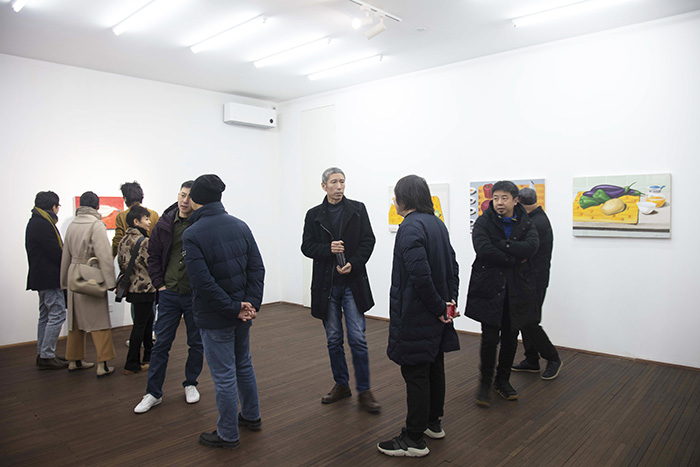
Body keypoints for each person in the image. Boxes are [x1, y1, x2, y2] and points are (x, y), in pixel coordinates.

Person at [378, 175, 461, 458]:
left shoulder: (410, 227)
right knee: (434, 366)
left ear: (405, 198)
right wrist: (448, 304)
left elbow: (420, 277)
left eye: (396, 195)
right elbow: (453, 266)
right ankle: (432, 423)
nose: (394, 200)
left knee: (416, 373)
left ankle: (413, 439)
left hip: (418, 313)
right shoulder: (437, 224)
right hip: (435, 311)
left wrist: (439, 308)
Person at [182, 174, 265, 450]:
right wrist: (250, 304)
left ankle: (228, 434)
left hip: (217, 316)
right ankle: (251, 416)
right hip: (241, 313)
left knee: (225, 375)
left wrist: (233, 308)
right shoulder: (240, 225)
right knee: (243, 364)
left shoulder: (192, 233)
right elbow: (257, 268)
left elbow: (202, 282)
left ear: (196, 199)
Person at [301, 167, 380, 413]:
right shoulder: (313, 214)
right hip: (327, 287)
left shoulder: (358, 209)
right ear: (323, 186)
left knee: (358, 338)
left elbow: (369, 241)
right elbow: (306, 246)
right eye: (334, 182)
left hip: (352, 284)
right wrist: (328, 249)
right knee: (334, 339)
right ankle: (342, 385)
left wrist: (353, 263)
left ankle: (364, 390)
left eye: (342, 182)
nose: (339, 186)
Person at [465, 181, 539, 407]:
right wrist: (513, 258)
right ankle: (484, 383)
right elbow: (483, 249)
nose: (499, 202)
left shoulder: (526, 222)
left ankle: (502, 381)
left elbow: (531, 247)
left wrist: (501, 245)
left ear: (515, 200)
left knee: (510, 338)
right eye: (496, 198)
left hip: (515, 289)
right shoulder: (484, 221)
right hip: (490, 288)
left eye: (504, 198)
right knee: (489, 339)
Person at [134, 180, 204, 414]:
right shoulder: (164, 223)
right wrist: (160, 285)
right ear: (178, 195)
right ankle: (153, 392)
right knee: (161, 344)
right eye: (182, 195)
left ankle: (191, 383)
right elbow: (153, 256)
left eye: (190, 197)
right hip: (169, 293)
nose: (185, 201)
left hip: (194, 294)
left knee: (196, 342)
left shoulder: (202, 224)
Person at [60, 191, 117, 377]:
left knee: (75, 322)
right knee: (99, 321)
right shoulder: (96, 225)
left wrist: (64, 281)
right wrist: (110, 282)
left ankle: (74, 360)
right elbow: (104, 256)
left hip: (73, 275)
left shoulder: (72, 224)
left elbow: (65, 255)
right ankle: (103, 364)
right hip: (90, 276)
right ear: (97, 206)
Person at [511, 187, 562, 380]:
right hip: (529, 278)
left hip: (534, 279)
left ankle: (553, 358)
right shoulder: (532, 219)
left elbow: (523, 252)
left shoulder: (537, 223)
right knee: (526, 320)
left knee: (529, 321)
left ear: (519, 203)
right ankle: (531, 360)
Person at [25, 191, 68, 370]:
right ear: (53, 206)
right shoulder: (43, 224)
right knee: (57, 314)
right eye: (58, 206)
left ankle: (43, 353)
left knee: (45, 316)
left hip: (41, 277)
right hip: (49, 278)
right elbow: (55, 252)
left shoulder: (35, 221)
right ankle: (47, 355)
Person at [117, 205, 155, 375]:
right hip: (145, 288)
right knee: (141, 325)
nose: (149, 222)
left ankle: (148, 356)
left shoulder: (124, 240)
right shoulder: (144, 241)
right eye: (146, 219)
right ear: (136, 221)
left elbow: (121, 263)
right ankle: (131, 363)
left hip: (132, 287)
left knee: (146, 321)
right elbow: (151, 264)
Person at [112, 181, 159, 257]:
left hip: (130, 257)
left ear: (125, 198)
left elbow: (117, 241)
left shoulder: (122, 216)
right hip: (151, 256)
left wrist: (115, 257)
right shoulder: (154, 214)